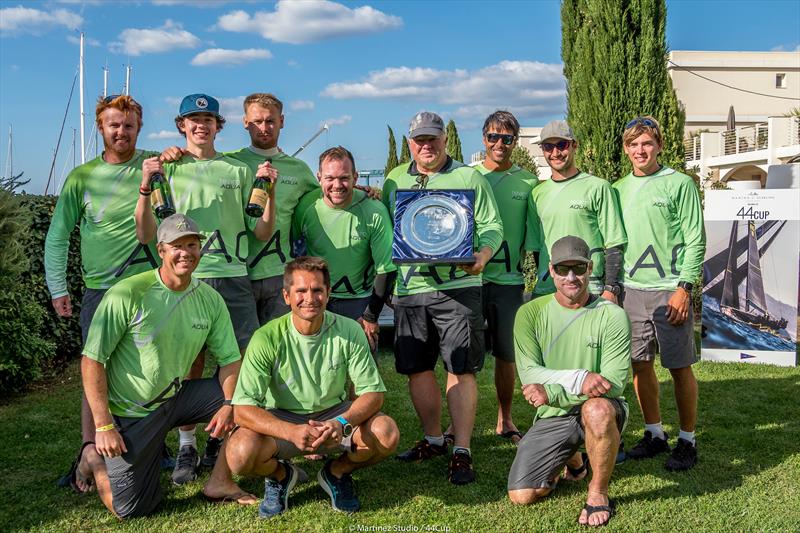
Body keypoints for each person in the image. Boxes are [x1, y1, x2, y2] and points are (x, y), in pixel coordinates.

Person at [70, 213, 256, 519]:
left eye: (192, 244)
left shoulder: (209, 299)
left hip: (178, 397)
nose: (186, 252)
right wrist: (103, 427)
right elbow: (92, 361)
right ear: (161, 250)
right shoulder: (127, 293)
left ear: (201, 248)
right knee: (128, 509)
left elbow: (230, 360)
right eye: (176, 246)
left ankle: (220, 482)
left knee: (249, 399)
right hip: (133, 412)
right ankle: (91, 457)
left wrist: (228, 403)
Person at [134, 93, 277, 485]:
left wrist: (271, 192)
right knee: (188, 361)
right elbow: (146, 233)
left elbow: (261, 231)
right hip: (187, 278)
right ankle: (187, 443)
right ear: (182, 125)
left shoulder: (237, 168)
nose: (201, 125)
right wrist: (149, 182)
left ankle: (226, 432)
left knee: (241, 359)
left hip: (233, 275)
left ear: (219, 126)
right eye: (193, 119)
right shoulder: (168, 167)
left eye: (209, 119)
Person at [46, 94, 168, 491]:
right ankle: (89, 449)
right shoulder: (81, 177)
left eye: (129, 125)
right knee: (94, 370)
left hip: (150, 284)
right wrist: (57, 287)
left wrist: (173, 154)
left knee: (154, 367)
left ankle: (154, 445)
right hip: (101, 289)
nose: (121, 131)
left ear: (139, 128)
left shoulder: (154, 164)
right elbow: (58, 236)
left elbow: (190, 158)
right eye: (114, 125)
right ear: (101, 127)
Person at [225, 256, 399, 517]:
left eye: (317, 290)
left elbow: (373, 394)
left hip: (334, 415)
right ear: (286, 296)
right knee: (239, 454)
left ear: (328, 294)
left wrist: (341, 421)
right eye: (301, 291)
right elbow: (242, 410)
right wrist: (291, 431)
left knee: (386, 433)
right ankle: (281, 476)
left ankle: (336, 473)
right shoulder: (266, 337)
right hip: (283, 418)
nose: (310, 298)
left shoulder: (350, 330)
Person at [382, 111, 503, 485]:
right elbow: (387, 225)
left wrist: (482, 256)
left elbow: (492, 226)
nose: (426, 145)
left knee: (460, 367)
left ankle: (462, 449)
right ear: (409, 142)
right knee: (417, 368)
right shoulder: (394, 179)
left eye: (432, 138)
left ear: (444, 140)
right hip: (411, 287)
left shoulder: (469, 177)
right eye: (419, 139)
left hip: (458, 287)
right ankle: (434, 439)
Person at [508, 236, 631, 527]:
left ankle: (598, 493)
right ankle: (574, 459)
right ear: (551, 270)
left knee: (597, 411)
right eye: (563, 269)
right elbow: (529, 375)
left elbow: (613, 384)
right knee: (522, 494)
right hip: (555, 414)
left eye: (578, 268)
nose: (571, 277)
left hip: (598, 407)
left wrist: (553, 392)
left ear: (590, 268)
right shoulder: (530, 313)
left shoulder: (612, 315)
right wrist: (580, 379)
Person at [614, 116, 705, 471]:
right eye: (634, 144)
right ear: (626, 149)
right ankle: (654, 433)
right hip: (631, 291)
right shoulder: (617, 189)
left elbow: (695, 238)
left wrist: (684, 288)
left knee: (679, 367)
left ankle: (687, 440)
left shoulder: (679, 184)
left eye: (647, 143)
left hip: (670, 291)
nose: (640, 150)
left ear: (660, 146)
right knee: (640, 364)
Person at [475, 111, 540, 444]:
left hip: (509, 281)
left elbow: (537, 234)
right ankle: (458, 423)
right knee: (463, 355)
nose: (499, 144)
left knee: (506, 354)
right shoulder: (465, 176)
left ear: (516, 141)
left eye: (507, 138)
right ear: (483, 138)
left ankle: (505, 418)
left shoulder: (528, 182)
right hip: (469, 279)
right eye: (493, 137)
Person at [227, 93, 320, 325]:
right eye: (257, 121)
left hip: (279, 275)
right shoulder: (229, 163)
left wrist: (362, 190)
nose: (264, 127)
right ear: (245, 122)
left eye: (270, 120)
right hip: (238, 274)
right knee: (237, 351)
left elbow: (329, 198)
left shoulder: (299, 170)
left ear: (282, 121)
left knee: (278, 349)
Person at [293, 146, 396, 349]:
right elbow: (292, 249)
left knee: (361, 372)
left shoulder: (374, 211)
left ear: (355, 177)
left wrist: (371, 315)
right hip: (316, 298)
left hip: (359, 300)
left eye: (344, 178)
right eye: (330, 178)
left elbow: (386, 269)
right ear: (319, 177)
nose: (337, 185)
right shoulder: (306, 206)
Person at [530, 120, 627, 301]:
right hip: (548, 290)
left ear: (575, 145)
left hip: (590, 288)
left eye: (562, 145)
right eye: (548, 147)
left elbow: (614, 243)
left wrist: (611, 288)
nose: (555, 153)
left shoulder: (599, 187)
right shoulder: (536, 194)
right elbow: (537, 247)